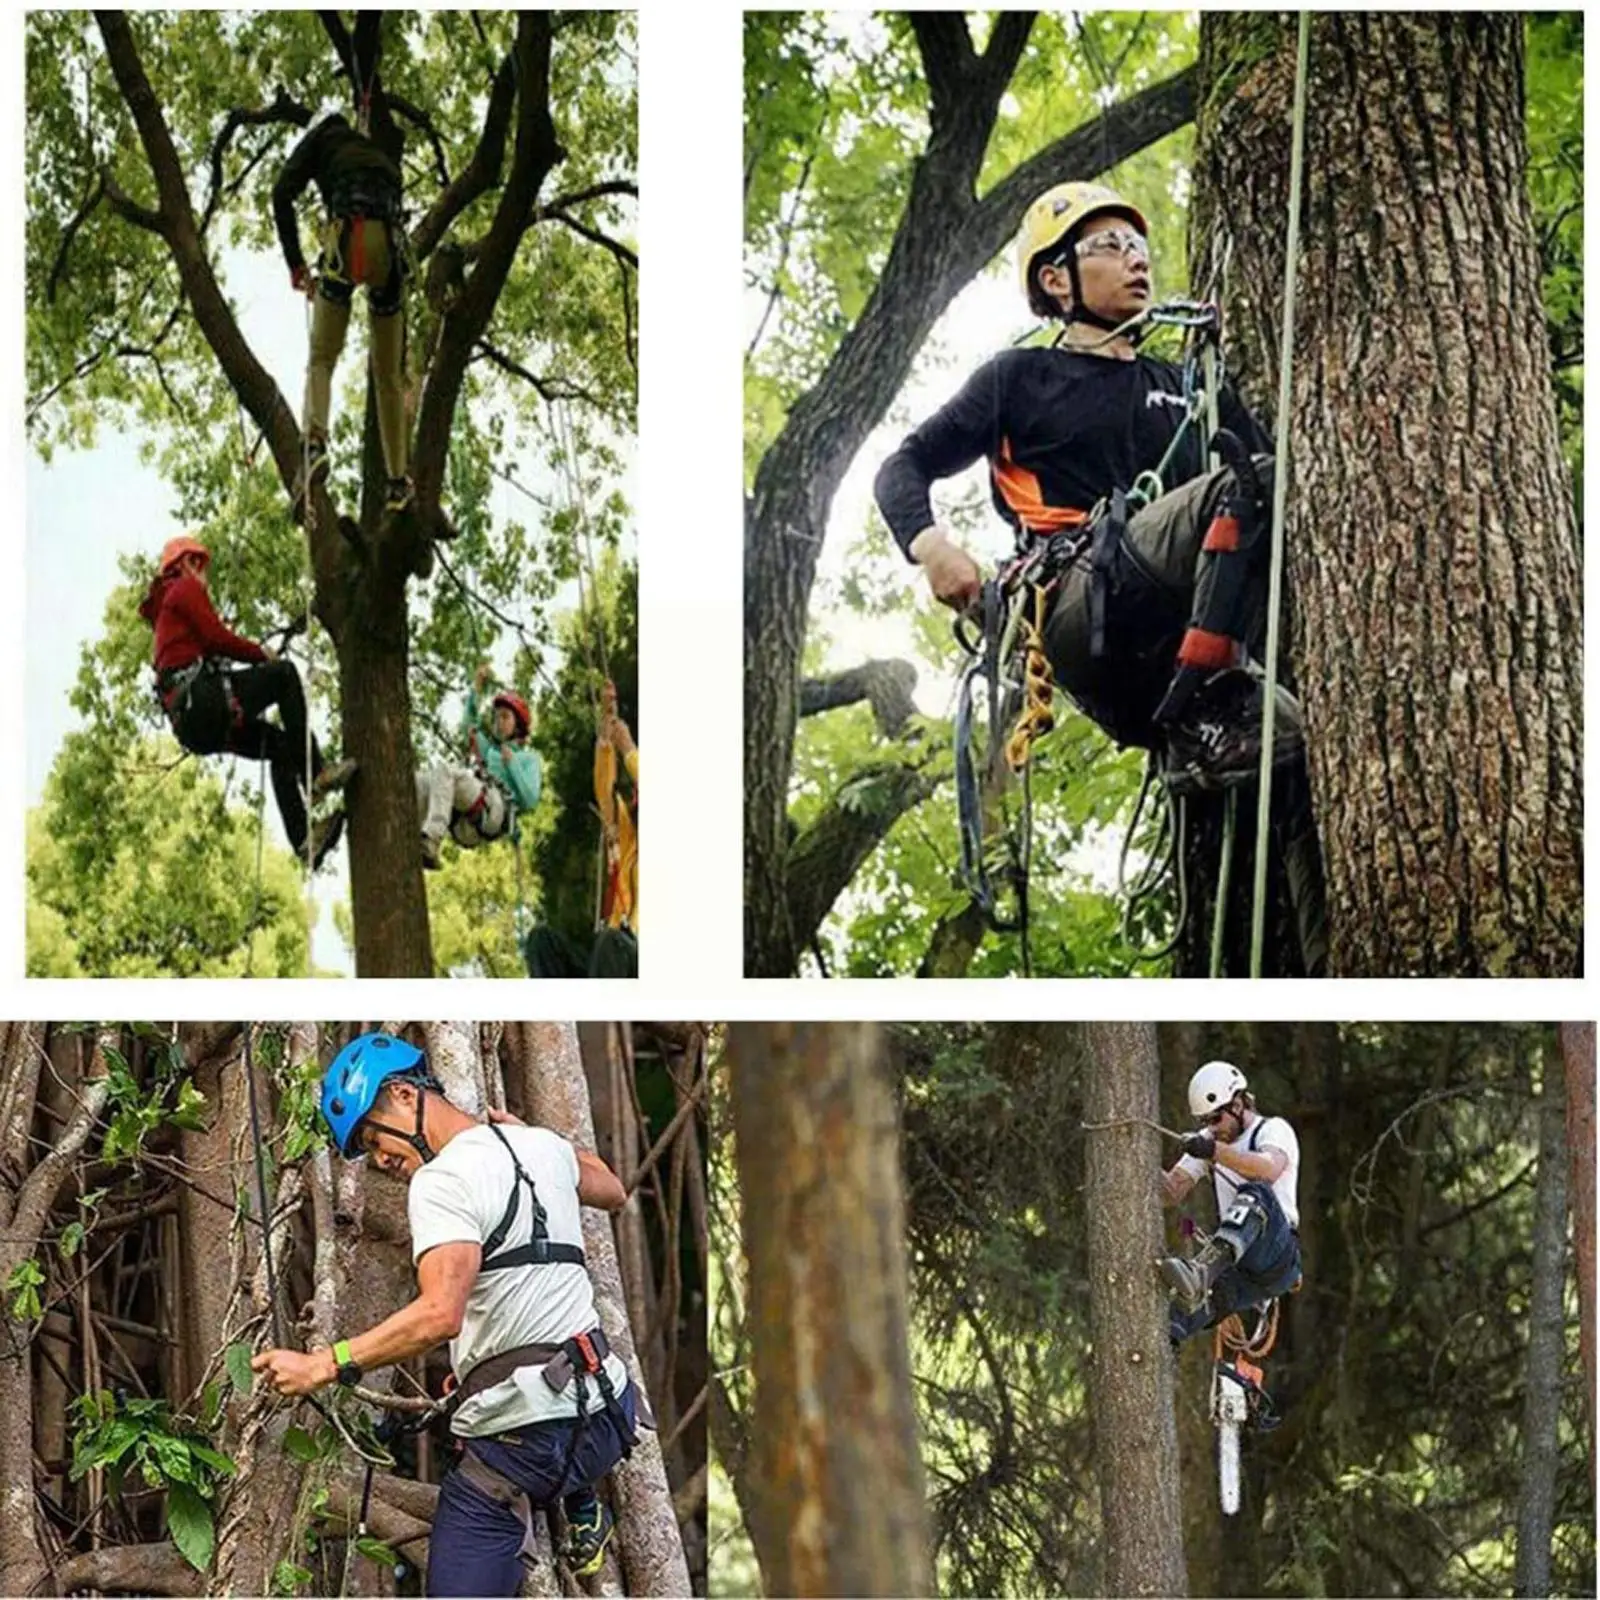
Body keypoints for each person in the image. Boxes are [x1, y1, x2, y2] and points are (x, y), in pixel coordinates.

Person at [873, 180, 1303, 791]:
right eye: (1110, 244)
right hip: (1081, 597)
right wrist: (932, 547)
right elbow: (903, 466)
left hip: (1173, 626)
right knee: (1241, 486)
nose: (1136, 257)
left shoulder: (1185, 386)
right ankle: (1203, 700)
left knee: (1295, 773)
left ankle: (1203, 726)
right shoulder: (1020, 378)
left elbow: (1282, 478)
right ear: (1056, 279)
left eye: (1137, 244)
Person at [253, 1032, 640, 1591]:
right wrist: (531, 1137)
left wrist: (323, 1364)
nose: (380, 1159)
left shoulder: (440, 1181)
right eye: (364, 1150)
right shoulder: (541, 1147)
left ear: (407, 1095)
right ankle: (581, 1506)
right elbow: (613, 1189)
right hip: (609, 1417)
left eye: (372, 1135)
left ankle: (561, 1494)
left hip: (525, 1444)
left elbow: (440, 1315)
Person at [139, 536, 352, 869]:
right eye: (201, 567)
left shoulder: (168, 616)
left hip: (196, 726)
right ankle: (316, 773)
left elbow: (203, 646)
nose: (204, 576)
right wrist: (259, 654)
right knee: (283, 675)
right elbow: (216, 638)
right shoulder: (182, 589)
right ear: (186, 564)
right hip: (204, 700)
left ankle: (304, 841)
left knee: (281, 749)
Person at [273, 109, 413, 515]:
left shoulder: (318, 141)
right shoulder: (369, 150)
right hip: (389, 250)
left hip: (349, 241)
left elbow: (282, 193)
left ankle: (314, 441)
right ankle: (397, 482)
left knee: (322, 355)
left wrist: (296, 265)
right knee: (388, 375)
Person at [1158, 1060, 1302, 1344]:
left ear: (1237, 1104)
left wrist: (1212, 1151)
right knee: (1182, 1311)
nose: (1211, 1129)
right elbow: (1171, 1191)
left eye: (1215, 1119)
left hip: (1276, 1249)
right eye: (1204, 1123)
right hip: (1241, 1266)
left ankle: (1203, 1270)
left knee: (1256, 1193)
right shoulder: (1210, 1139)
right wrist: (1139, 1164)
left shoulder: (1273, 1130)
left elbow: (1268, 1168)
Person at [416, 665, 543, 869]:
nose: (498, 722)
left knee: (446, 770)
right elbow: (469, 727)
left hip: (495, 810)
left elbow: (530, 799)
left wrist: (512, 764)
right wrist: (477, 688)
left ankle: (431, 839)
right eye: (496, 717)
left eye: (505, 717)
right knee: (421, 780)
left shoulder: (528, 759)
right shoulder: (490, 751)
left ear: (518, 725)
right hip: (467, 818)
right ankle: (412, 834)